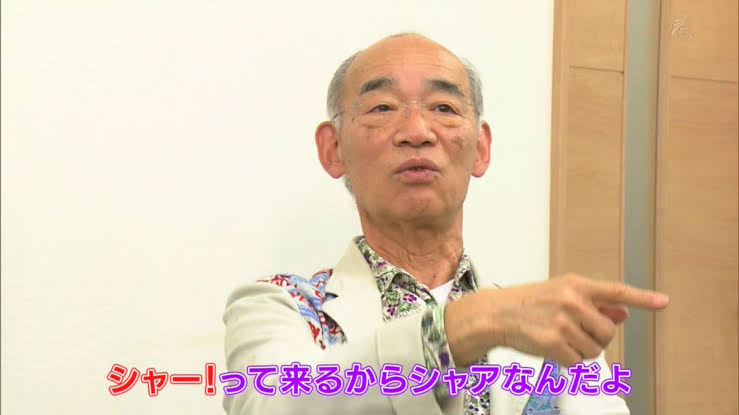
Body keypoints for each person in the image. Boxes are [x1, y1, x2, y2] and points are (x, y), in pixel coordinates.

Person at [222, 33, 668, 415]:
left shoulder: (552, 329)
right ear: (333, 149)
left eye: (444, 107)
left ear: (481, 149)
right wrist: (464, 325)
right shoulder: (281, 307)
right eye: (381, 107)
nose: (417, 130)